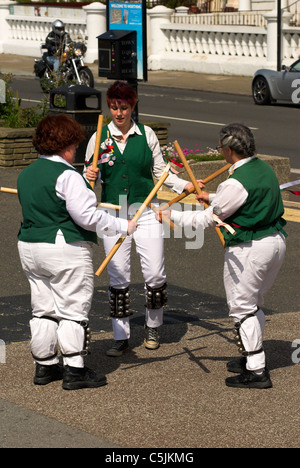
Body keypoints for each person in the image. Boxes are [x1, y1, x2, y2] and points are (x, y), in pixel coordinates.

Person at [158, 123, 287, 389]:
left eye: (221, 148)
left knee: (242, 307)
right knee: (254, 302)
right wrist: (213, 196)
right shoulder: (262, 168)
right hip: (275, 243)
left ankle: (256, 369)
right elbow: (239, 198)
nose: (221, 152)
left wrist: (172, 215)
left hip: (251, 248)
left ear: (229, 150)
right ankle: (252, 357)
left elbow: (210, 218)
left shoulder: (236, 182)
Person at [17, 114, 136, 390]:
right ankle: (74, 369)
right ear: (67, 144)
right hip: (63, 247)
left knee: (43, 307)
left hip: (30, 246)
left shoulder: (26, 174)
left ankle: (45, 365)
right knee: (72, 308)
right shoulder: (68, 176)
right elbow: (88, 217)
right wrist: (123, 226)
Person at [84, 80, 202, 357]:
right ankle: (120, 336)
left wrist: (183, 185)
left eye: (123, 107)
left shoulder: (146, 135)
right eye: (114, 107)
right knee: (118, 276)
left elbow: (161, 173)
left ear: (132, 106)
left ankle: (152, 327)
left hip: (146, 211)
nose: (118, 113)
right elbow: (89, 179)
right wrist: (89, 176)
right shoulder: (99, 137)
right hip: (112, 213)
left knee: (154, 272)